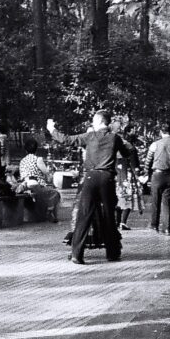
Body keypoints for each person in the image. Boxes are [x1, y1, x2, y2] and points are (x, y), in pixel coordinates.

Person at [48, 111, 133, 264]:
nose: (92, 124)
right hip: (107, 178)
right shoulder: (115, 138)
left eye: (93, 121)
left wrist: (52, 130)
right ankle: (112, 252)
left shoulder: (90, 136)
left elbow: (67, 140)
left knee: (84, 215)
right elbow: (127, 153)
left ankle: (77, 254)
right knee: (109, 216)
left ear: (100, 121)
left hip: (90, 177)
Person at [146, 121, 170, 235]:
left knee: (155, 201)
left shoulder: (155, 144)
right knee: (167, 203)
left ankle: (154, 225)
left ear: (160, 132)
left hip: (157, 175)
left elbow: (148, 161)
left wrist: (146, 173)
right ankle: (167, 228)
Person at [17, 138, 61, 222]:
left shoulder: (22, 161)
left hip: (25, 184)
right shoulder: (38, 159)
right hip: (37, 184)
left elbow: (22, 175)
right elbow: (46, 172)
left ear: (26, 150)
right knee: (55, 193)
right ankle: (50, 211)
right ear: (36, 149)